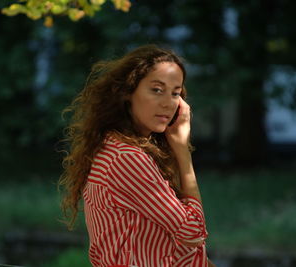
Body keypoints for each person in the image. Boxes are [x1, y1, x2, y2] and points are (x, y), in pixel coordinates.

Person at [59, 45, 215, 267]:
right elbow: (192, 233)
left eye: (175, 93)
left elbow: (185, 250)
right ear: (128, 92)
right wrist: (183, 154)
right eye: (157, 90)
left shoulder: (119, 147)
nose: (167, 103)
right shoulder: (126, 157)